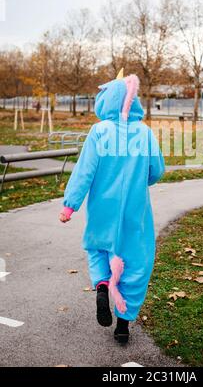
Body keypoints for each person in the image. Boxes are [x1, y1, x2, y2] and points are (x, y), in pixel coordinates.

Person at [59, 71, 165, 345]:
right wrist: (141, 180)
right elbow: (157, 170)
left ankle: (103, 285)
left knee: (98, 249)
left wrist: (70, 206)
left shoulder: (99, 131)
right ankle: (123, 325)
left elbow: (85, 171)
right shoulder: (144, 133)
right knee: (135, 261)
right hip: (135, 210)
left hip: (102, 208)